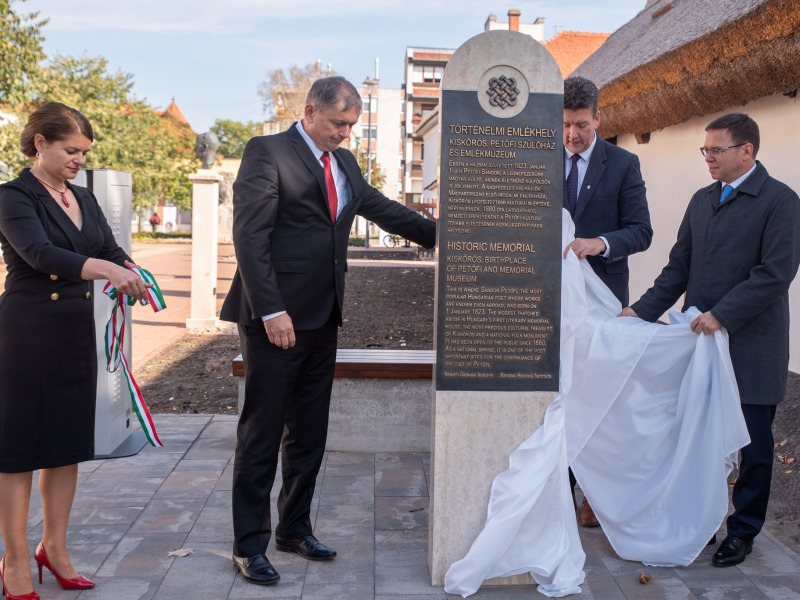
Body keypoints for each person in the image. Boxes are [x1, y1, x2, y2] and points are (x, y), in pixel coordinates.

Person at [220, 76, 436, 586]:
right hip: (274, 321)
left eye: (353, 125)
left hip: (324, 316)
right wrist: (272, 311)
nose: (346, 133)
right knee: (261, 434)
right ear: (311, 110)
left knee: (309, 434)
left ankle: (294, 529)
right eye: (340, 123)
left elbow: (387, 211)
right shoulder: (267, 152)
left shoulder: (345, 163)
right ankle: (248, 546)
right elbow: (249, 237)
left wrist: (458, 233)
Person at [622, 113, 800, 567]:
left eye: (716, 150)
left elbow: (775, 274)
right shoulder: (701, 200)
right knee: (698, 439)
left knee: (754, 445)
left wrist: (723, 315)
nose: (708, 158)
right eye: (705, 150)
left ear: (747, 151)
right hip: (698, 346)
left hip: (753, 346)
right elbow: (678, 268)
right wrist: (638, 311)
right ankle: (701, 522)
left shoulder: (781, 201)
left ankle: (743, 532)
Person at [0, 103, 152, 599]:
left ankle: (55, 549)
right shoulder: (12, 196)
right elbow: (40, 254)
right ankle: (16, 562)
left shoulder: (81, 195)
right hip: (24, 336)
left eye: (84, 153)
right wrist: (108, 272)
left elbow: (107, 248)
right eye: (70, 150)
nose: (78, 160)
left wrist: (131, 270)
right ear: (40, 143)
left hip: (72, 335)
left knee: (65, 448)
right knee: (18, 452)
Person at [561, 76, 653, 527]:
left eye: (580, 124)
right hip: (553, 304)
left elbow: (642, 231)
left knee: (601, 398)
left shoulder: (624, 164)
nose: (572, 135)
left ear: (598, 117)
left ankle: (595, 491)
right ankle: (558, 490)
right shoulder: (538, 161)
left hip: (605, 305)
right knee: (560, 394)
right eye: (564, 125)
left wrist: (599, 242)